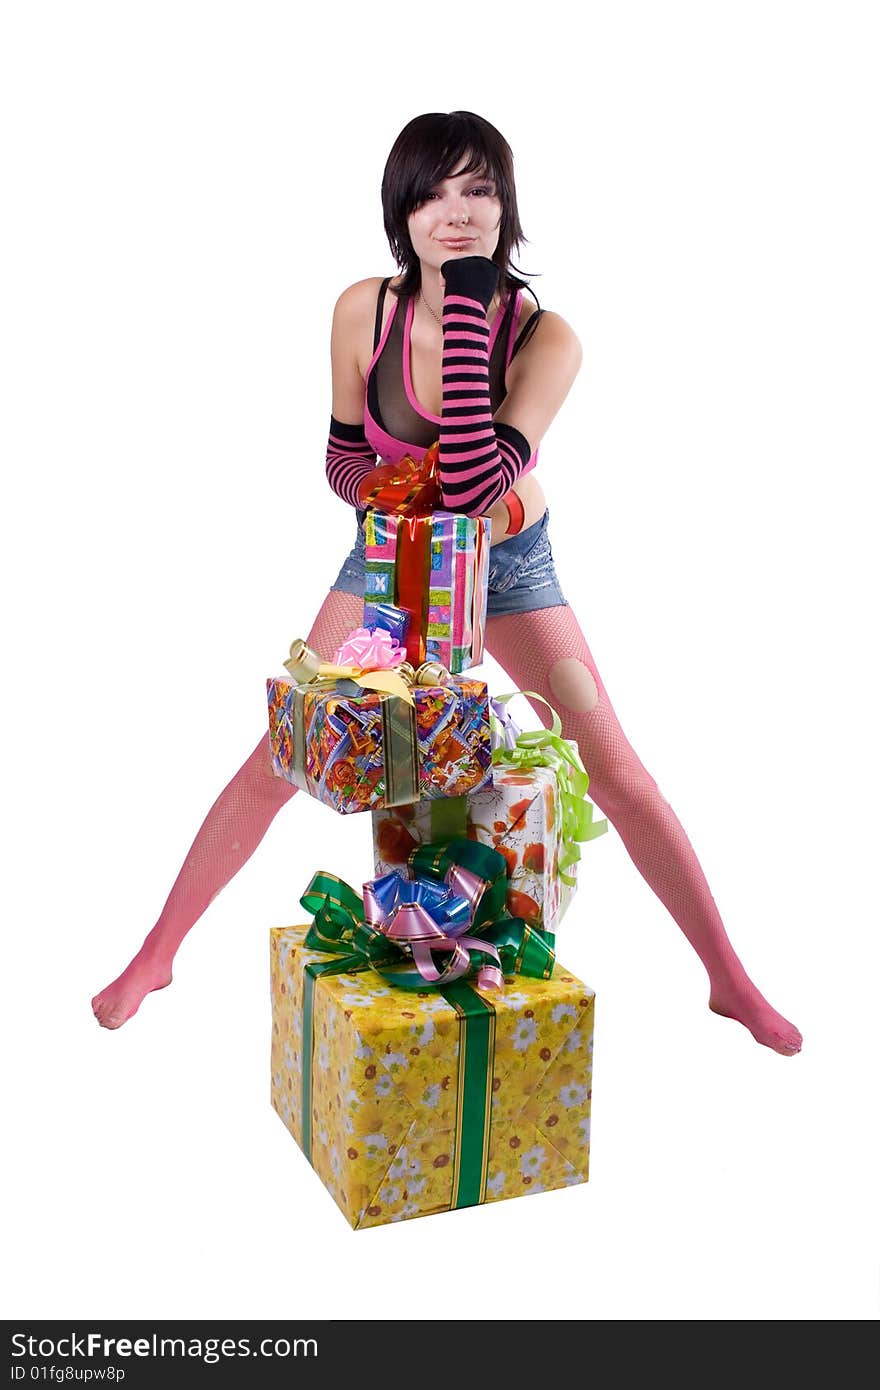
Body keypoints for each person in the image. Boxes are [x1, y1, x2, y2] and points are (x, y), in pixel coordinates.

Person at [92, 111, 801, 1055]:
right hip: (387, 559)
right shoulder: (361, 309)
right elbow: (344, 461)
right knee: (286, 748)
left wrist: (468, 300)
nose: (456, 213)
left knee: (613, 766)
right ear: (403, 208)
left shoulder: (546, 336)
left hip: (508, 566)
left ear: (507, 209)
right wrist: (390, 497)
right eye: (434, 193)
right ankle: (157, 953)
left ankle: (729, 978)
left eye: (480, 191)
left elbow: (474, 480)